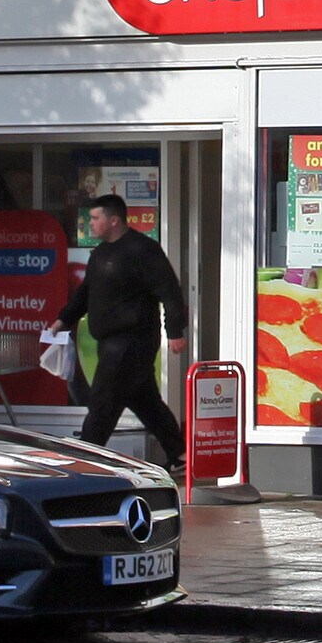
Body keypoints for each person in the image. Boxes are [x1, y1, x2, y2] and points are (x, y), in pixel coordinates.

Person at [54, 193, 189, 468]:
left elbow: (170, 291)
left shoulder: (142, 250)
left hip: (132, 340)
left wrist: (175, 330)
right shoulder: (101, 254)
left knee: (103, 398)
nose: (90, 223)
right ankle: (179, 455)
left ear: (114, 220)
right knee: (144, 400)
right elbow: (86, 292)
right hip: (109, 340)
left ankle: (86, 458)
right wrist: (63, 320)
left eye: (95, 218)